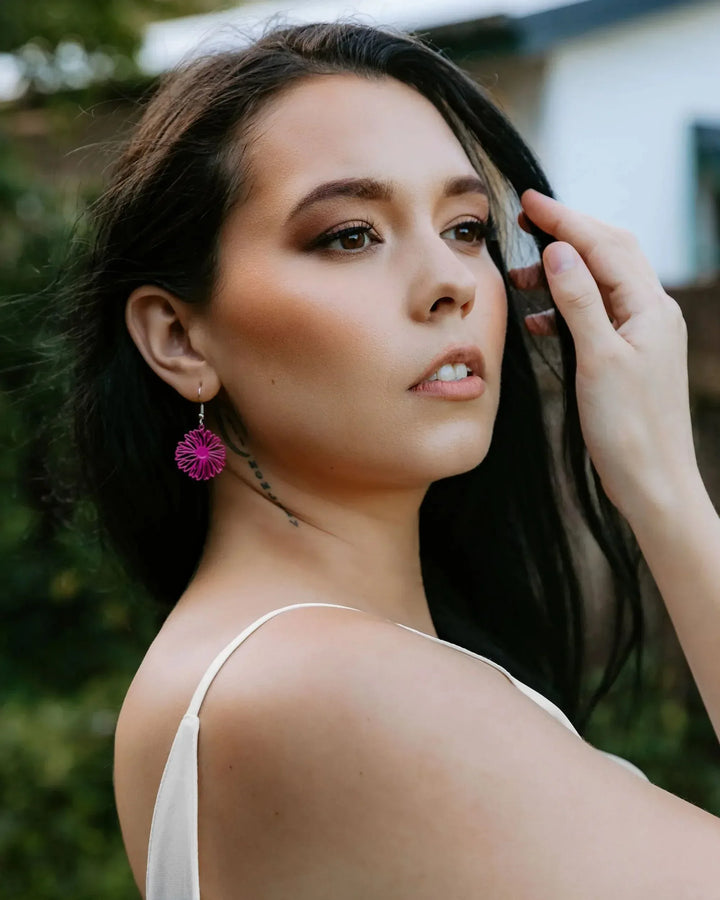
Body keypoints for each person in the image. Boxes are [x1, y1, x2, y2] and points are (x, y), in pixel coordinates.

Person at [60, 19, 720, 899]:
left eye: (466, 228)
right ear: (179, 337)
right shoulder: (324, 686)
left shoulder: (264, 667)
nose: (449, 281)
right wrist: (669, 493)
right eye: (351, 235)